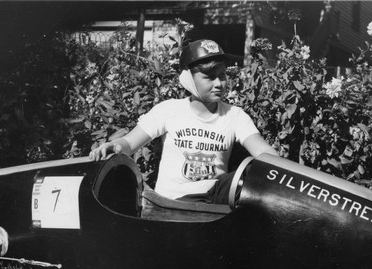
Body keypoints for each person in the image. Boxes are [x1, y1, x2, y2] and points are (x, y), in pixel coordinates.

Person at [89, 39, 277, 204]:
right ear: (188, 78)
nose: (219, 84)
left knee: (249, 173)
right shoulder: (169, 110)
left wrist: (273, 162)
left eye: (222, 76)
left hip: (214, 199)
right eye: (209, 77)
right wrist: (115, 145)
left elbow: (265, 153)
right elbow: (129, 143)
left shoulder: (235, 115)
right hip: (170, 201)